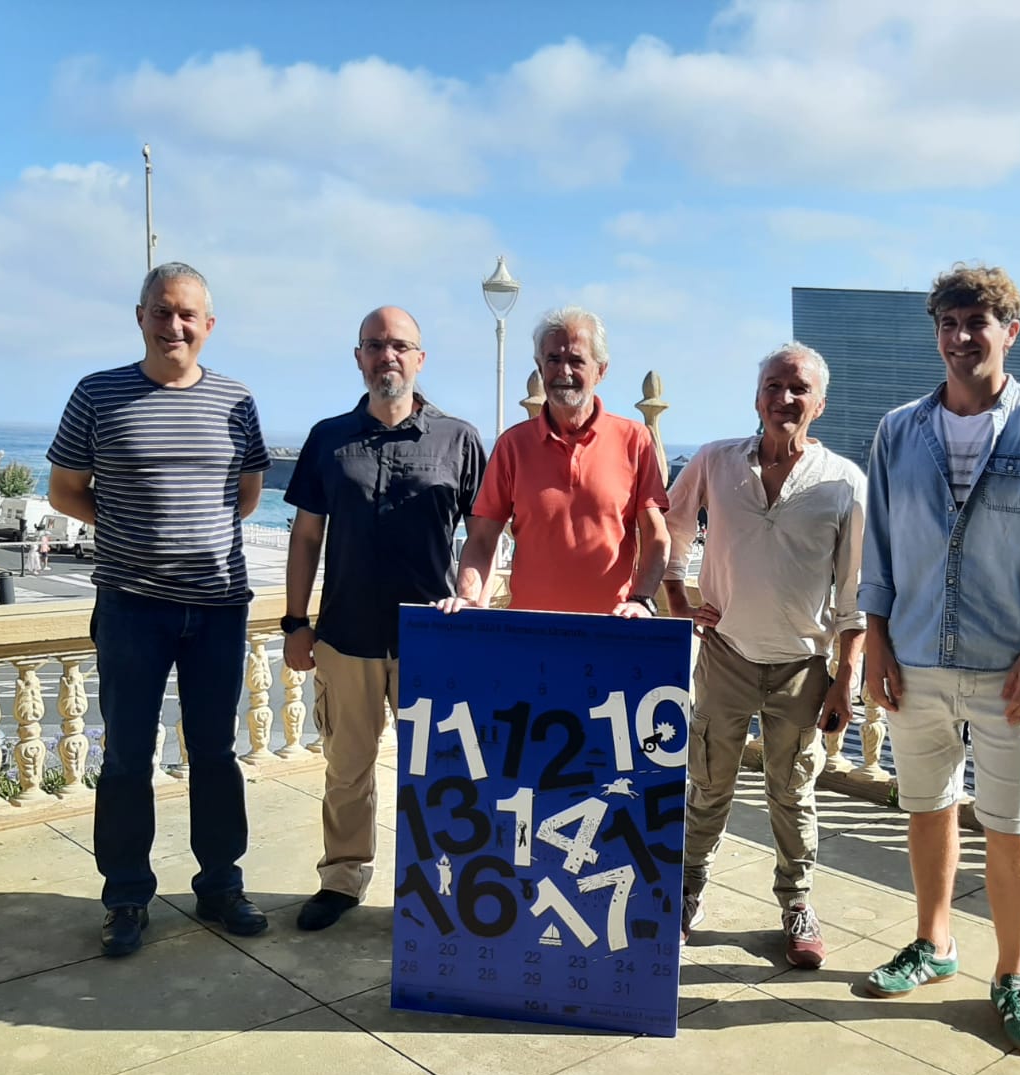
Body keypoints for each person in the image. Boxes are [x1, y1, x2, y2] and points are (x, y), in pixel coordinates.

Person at [859, 264, 1020, 1055]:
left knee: (1011, 826)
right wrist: (876, 640)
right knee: (926, 810)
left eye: (978, 324)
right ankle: (934, 943)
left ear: (1009, 331)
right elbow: (880, 545)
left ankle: (1013, 977)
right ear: (936, 333)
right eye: (949, 324)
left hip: (1009, 669)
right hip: (915, 658)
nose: (962, 338)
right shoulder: (898, 430)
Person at [47, 261, 271, 958]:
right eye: (161, 311)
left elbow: (247, 495)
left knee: (215, 753)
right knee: (126, 759)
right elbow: (63, 491)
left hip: (217, 608)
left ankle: (221, 883)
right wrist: (127, 531)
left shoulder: (236, 399)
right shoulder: (98, 395)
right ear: (140, 316)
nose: (174, 325)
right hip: (130, 608)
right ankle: (124, 898)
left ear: (208, 325)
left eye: (187, 315)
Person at [663, 342, 866, 968]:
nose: (785, 399)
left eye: (799, 389)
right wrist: (677, 594)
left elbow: (857, 589)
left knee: (794, 792)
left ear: (820, 404)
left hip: (804, 665)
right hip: (725, 652)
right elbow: (668, 523)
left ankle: (797, 903)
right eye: (774, 386)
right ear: (757, 397)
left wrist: (845, 678)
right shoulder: (716, 461)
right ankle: (686, 892)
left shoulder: (844, 482)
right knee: (707, 782)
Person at [282, 306, 485, 931]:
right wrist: (295, 623)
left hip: (433, 641)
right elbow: (306, 537)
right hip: (346, 637)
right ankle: (342, 880)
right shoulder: (327, 437)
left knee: (442, 775)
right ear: (359, 357)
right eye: (375, 345)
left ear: (420, 359)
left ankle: (439, 886)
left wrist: (474, 601)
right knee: (346, 771)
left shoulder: (459, 439)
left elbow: (486, 534)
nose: (387, 356)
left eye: (399, 346)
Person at [448, 306, 669, 615]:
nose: (564, 371)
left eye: (576, 360)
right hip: (530, 634)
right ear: (540, 366)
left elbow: (656, 535)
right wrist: (469, 597)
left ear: (601, 370)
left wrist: (643, 599)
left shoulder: (635, 440)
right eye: (553, 359)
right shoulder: (513, 446)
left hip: (612, 633)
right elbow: (483, 540)